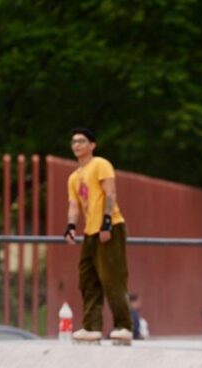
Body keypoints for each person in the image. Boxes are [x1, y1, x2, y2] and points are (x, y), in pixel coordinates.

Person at [64, 127, 132, 344]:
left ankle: (123, 327)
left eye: (82, 141)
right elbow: (74, 205)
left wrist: (107, 222)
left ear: (92, 145)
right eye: (74, 141)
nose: (77, 145)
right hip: (90, 232)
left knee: (112, 277)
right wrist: (71, 226)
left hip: (110, 227)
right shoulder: (74, 177)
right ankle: (92, 328)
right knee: (88, 278)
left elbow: (110, 193)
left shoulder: (100, 164)